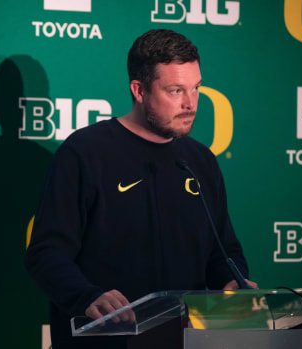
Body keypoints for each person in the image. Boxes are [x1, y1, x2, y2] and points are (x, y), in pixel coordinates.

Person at [25, 29, 256, 349]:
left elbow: (223, 252)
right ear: (139, 90)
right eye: (176, 91)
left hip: (185, 340)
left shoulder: (200, 160)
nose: (191, 103)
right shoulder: (85, 152)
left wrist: (233, 282)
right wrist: (88, 297)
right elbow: (46, 254)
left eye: (196, 88)